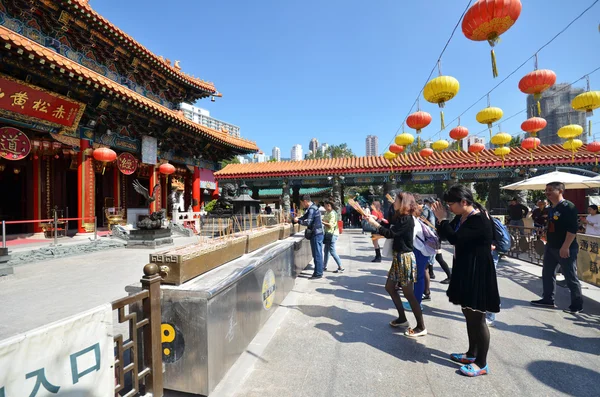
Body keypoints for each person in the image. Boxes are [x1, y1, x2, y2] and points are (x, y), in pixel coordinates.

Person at [431, 185, 500, 377]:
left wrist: (442, 219)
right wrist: (441, 221)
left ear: (463, 202)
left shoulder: (478, 219)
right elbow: (446, 233)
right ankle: (471, 353)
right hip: (466, 268)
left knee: (478, 317)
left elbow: (455, 238)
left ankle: (482, 363)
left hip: (478, 271)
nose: (449, 207)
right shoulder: (463, 216)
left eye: (451, 204)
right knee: (468, 312)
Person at [367, 192, 427, 338]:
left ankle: (421, 326)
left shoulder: (407, 219)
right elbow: (390, 229)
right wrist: (377, 221)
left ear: (404, 202)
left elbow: (390, 234)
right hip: (398, 257)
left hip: (405, 258)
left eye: (397, 201)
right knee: (389, 287)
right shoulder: (401, 218)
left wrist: (375, 224)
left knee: (409, 294)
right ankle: (402, 318)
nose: (394, 202)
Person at [531, 182, 583, 313]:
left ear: (560, 191)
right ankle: (548, 299)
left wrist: (565, 246)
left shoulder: (568, 207)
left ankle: (577, 305)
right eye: (546, 190)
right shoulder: (551, 208)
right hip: (551, 246)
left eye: (550, 190)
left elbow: (572, 229)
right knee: (547, 273)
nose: (547, 193)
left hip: (565, 247)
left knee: (570, 276)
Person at [295, 195, 325, 279]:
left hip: (316, 234)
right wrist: (297, 219)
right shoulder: (313, 207)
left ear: (305, 201)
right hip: (317, 233)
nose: (302, 205)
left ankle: (318, 273)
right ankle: (318, 271)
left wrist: (299, 221)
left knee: (317, 254)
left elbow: (308, 222)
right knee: (317, 253)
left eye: (302, 203)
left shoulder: (312, 209)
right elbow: (305, 217)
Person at [322, 200, 345, 273]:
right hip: (328, 233)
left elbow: (330, 225)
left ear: (328, 205)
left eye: (325, 205)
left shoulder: (333, 213)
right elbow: (325, 220)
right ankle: (324, 266)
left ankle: (341, 267)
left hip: (332, 234)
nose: (324, 207)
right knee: (326, 250)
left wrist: (321, 222)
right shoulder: (327, 212)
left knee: (332, 251)